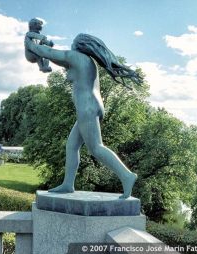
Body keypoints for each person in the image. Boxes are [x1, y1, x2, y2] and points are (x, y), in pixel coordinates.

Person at [25, 33, 141, 198]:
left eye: (73, 42)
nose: (71, 44)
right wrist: (42, 46)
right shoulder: (88, 62)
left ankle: (127, 175)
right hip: (93, 106)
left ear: (80, 45)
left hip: (87, 108)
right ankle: (68, 184)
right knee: (72, 146)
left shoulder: (76, 57)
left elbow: (47, 53)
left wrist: (29, 42)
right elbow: (54, 55)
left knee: (96, 148)